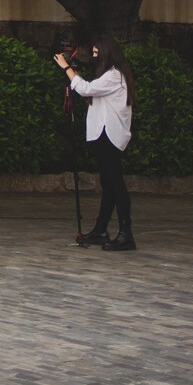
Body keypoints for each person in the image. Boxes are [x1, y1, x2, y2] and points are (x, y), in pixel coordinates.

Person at [58, 37, 136, 250]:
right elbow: (90, 88)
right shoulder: (110, 76)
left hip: (110, 134)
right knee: (109, 183)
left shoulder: (114, 76)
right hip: (105, 134)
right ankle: (101, 228)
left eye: (96, 54)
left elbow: (84, 89)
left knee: (115, 183)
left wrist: (66, 68)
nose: (93, 58)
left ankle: (126, 233)